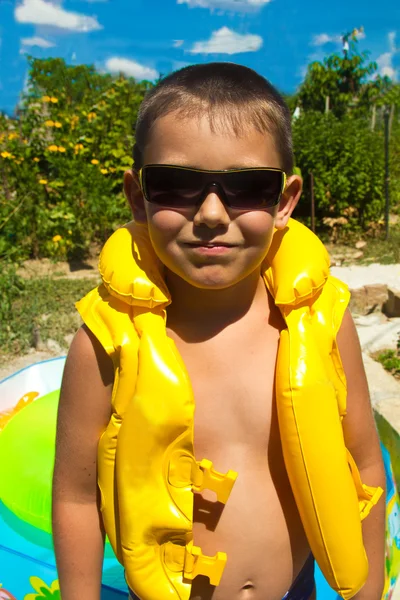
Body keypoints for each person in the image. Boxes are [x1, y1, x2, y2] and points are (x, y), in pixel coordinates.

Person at [52, 63, 386, 600]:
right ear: (138, 196)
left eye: (248, 187)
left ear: (285, 201)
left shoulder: (321, 321)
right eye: (177, 185)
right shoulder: (105, 342)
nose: (210, 213)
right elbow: (75, 497)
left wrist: (371, 591)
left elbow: (364, 463)